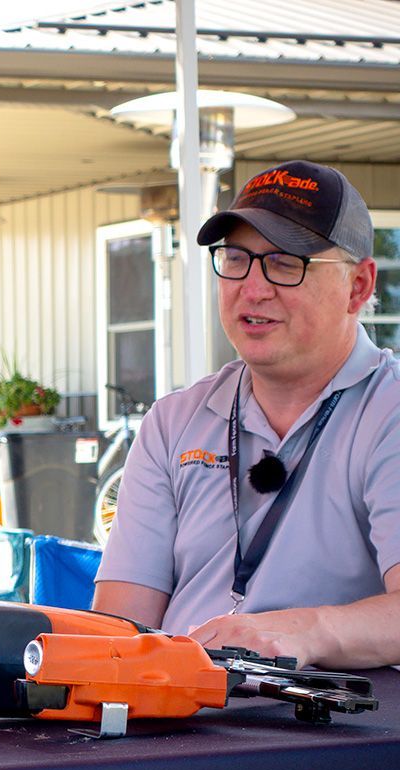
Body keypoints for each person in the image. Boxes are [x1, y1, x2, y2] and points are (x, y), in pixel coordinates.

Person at [93, 160, 400, 670]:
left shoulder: (387, 410)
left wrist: (297, 631)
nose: (252, 289)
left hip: (324, 731)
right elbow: (119, 627)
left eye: (285, 262)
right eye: (236, 259)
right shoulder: (173, 421)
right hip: (172, 720)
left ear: (359, 287)